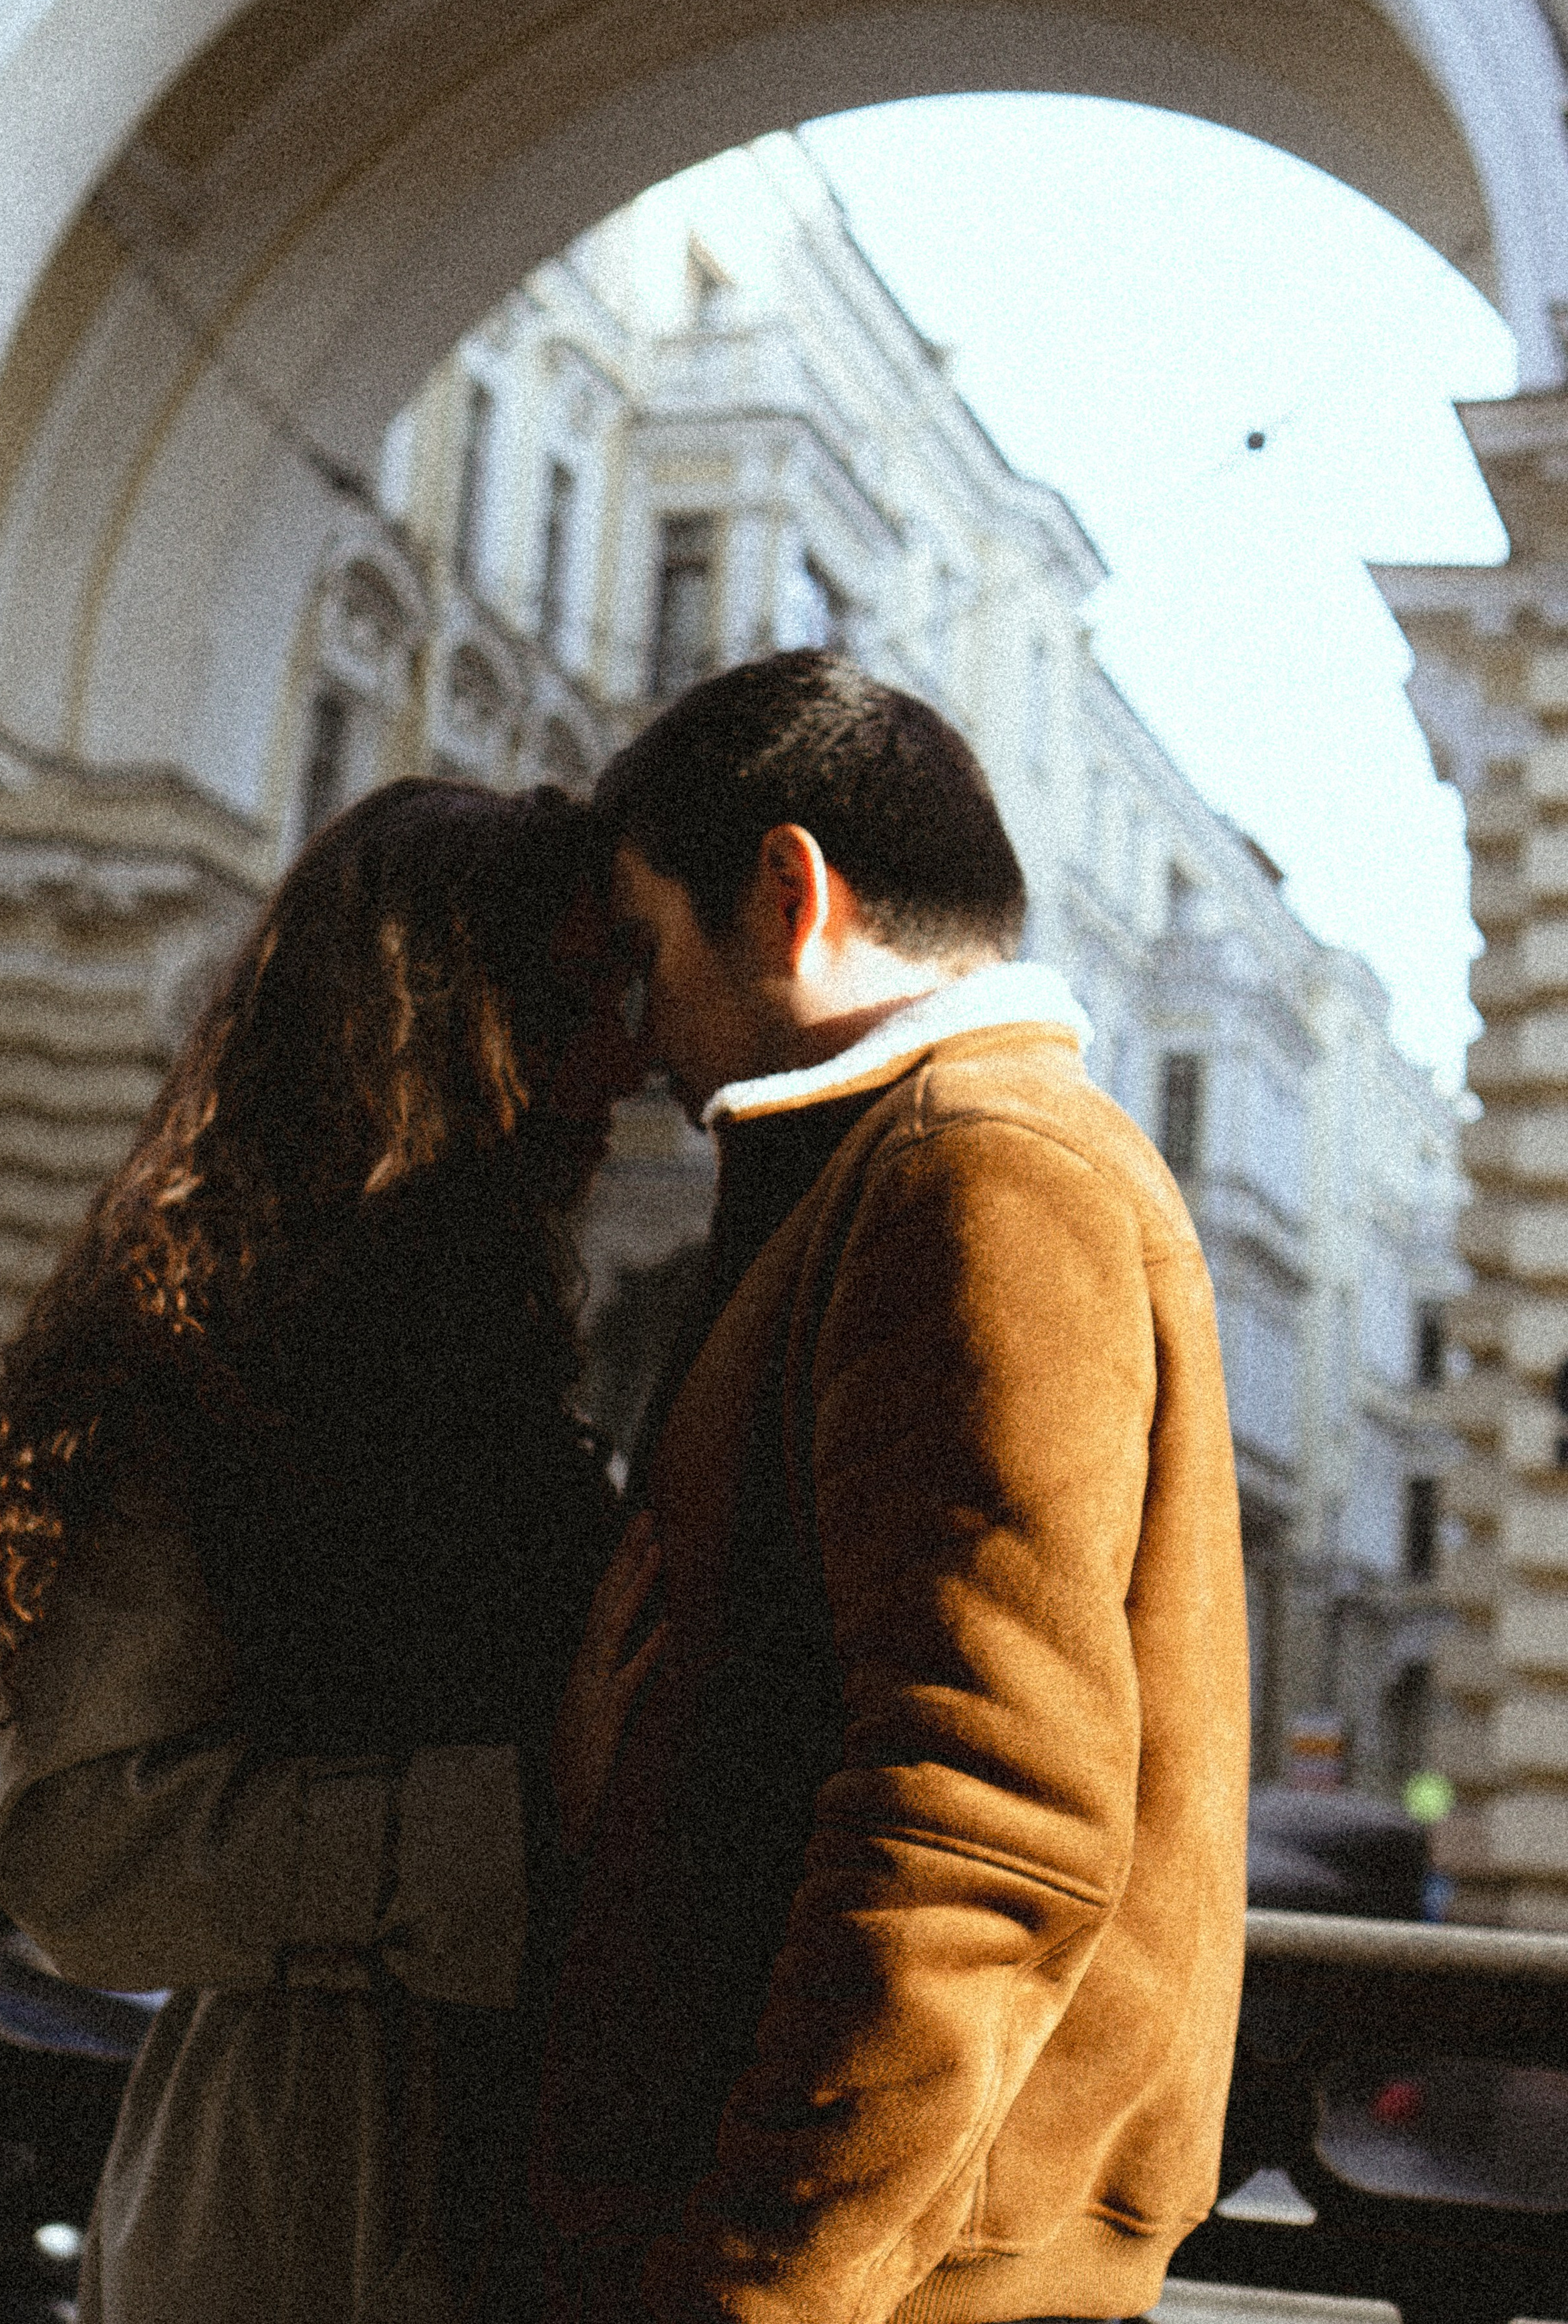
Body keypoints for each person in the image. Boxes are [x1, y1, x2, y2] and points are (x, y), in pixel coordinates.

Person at [535, 652, 1250, 2324]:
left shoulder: (966, 1165)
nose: (635, 1038)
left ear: (787, 893)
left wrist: (759, 2290)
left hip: (889, 2282)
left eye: (645, 955)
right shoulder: (932, 1155)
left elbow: (982, 1824)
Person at [0, 776, 664, 2324]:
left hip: (491, 2162)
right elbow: (82, 1855)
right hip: (311, 2187)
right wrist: (525, 1811)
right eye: (583, 994)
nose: (634, 1049)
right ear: (453, 1019)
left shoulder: (474, 1337)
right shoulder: (212, 1349)